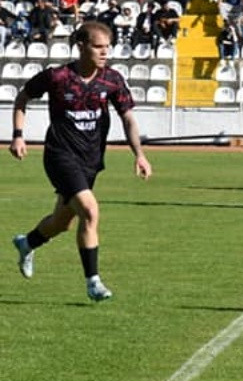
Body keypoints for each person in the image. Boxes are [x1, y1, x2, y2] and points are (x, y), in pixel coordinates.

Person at [10, 21, 153, 301]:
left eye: (107, 47)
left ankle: (27, 243)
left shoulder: (111, 79)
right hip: (60, 155)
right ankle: (93, 282)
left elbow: (127, 117)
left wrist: (140, 154)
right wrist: (18, 135)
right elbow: (22, 98)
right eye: (98, 46)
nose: (104, 52)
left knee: (62, 223)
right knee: (90, 211)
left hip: (91, 160)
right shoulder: (57, 77)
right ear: (81, 46)